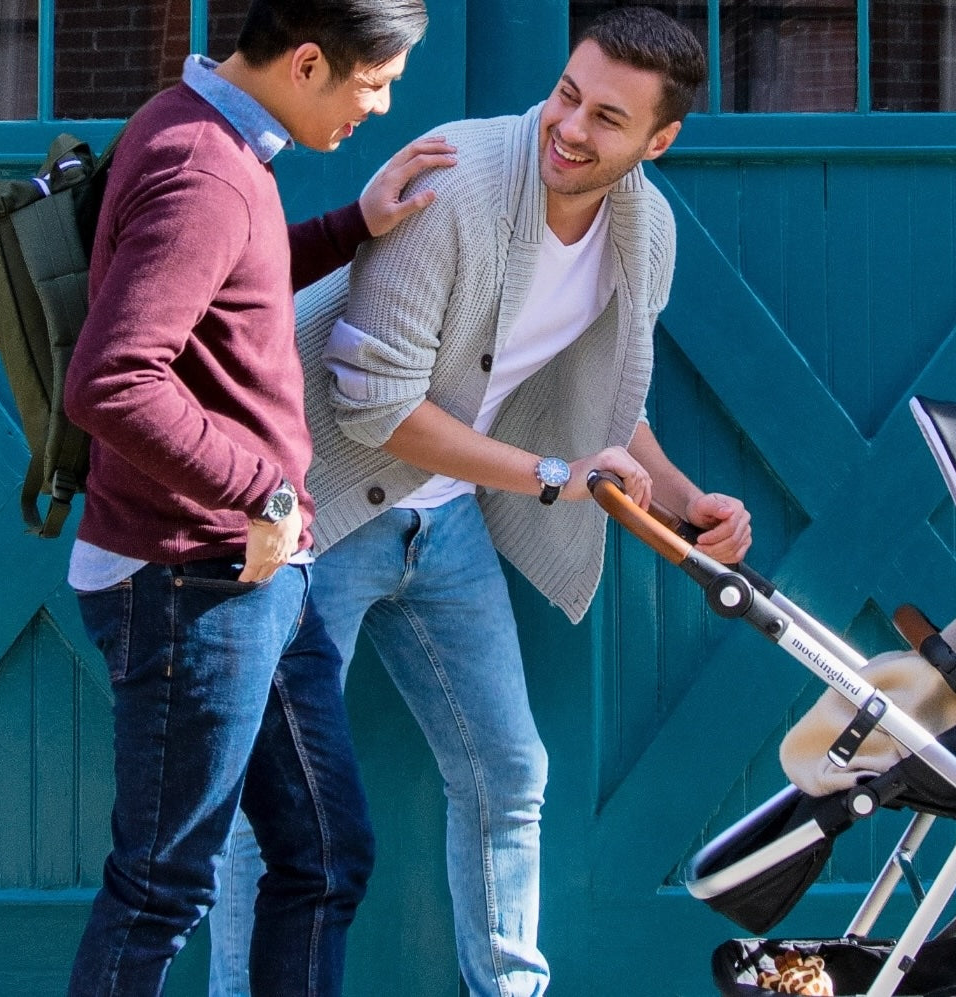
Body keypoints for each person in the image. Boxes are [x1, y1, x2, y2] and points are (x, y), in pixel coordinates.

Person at [208, 9, 748, 996]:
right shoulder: (458, 183)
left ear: (658, 141)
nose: (570, 128)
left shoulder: (646, 230)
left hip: (446, 522)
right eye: (567, 95)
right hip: (317, 513)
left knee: (509, 772)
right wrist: (550, 475)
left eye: (608, 118)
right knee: (280, 800)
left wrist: (685, 500)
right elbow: (374, 408)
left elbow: (609, 401)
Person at [59, 0, 453, 993]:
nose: (382, 105)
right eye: (376, 82)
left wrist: (353, 227)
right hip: (189, 580)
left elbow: (234, 289)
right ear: (310, 62)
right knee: (161, 887)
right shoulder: (203, 167)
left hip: (252, 579)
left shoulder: (207, 134)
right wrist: (265, 493)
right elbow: (112, 381)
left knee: (325, 857)